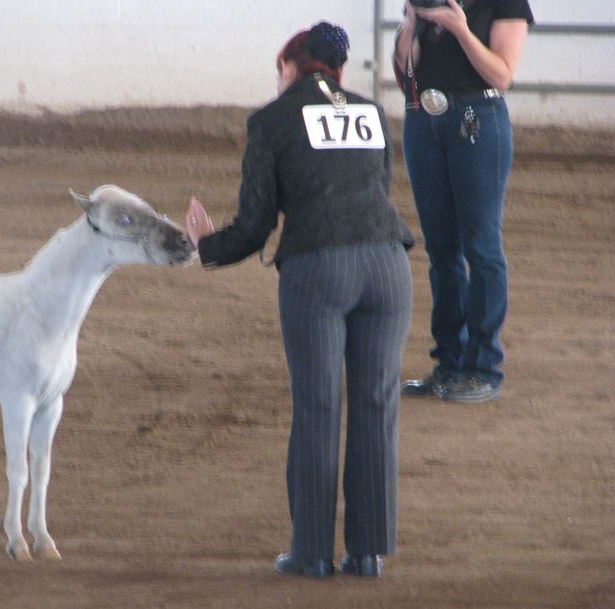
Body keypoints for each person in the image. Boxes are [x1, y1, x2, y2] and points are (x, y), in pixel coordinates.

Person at [185, 22, 414, 579]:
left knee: (317, 410)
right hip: (388, 266)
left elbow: (257, 223)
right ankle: (368, 554)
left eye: (279, 71)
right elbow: (376, 192)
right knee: (376, 407)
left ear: (291, 67)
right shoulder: (371, 114)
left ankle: (311, 552)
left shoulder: (271, 120)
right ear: (335, 71)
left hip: (318, 270)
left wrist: (205, 245)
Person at [393, 0, 533, 402]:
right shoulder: (424, 2)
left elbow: (501, 74)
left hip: (478, 116)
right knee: (441, 250)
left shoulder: (505, 3)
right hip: (423, 118)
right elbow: (406, 77)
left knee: (481, 246)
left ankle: (482, 366)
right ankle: (450, 362)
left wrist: (460, 29)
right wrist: (408, 26)